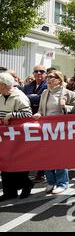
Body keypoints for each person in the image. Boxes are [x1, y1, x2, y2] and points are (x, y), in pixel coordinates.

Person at [32, 71, 75, 194]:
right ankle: (51, 181)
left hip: (61, 129)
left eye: (51, 77)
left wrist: (65, 107)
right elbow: (41, 110)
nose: (47, 79)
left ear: (59, 80)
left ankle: (62, 183)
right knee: (47, 156)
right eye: (47, 77)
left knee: (59, 157)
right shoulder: (44, 93)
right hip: (46, 129)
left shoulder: (69, 93)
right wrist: (38, 114)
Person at [0, 73, 34, 201]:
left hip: (19, 136)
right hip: (5, 137)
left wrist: (12, 115)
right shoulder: (1, 96)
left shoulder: (19, 97)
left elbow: (27, 113)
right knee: (4, 163)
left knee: (18, 164)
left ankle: (27, 185)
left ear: (4, 85)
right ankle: (9, 192)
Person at [23, 64, 48, 183]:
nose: (39, 73)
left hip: (42, 119)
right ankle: (26, 170)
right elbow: (23, 99)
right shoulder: (27, 86)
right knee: (29, 146)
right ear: (33, 73)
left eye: (41, 71)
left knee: (42, 147)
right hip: (28, 118)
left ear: (45, 74)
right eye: (36, 71)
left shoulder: (48, 85)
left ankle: (41, 172)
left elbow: (40, 99)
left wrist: (31, 98)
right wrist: (34, 97)